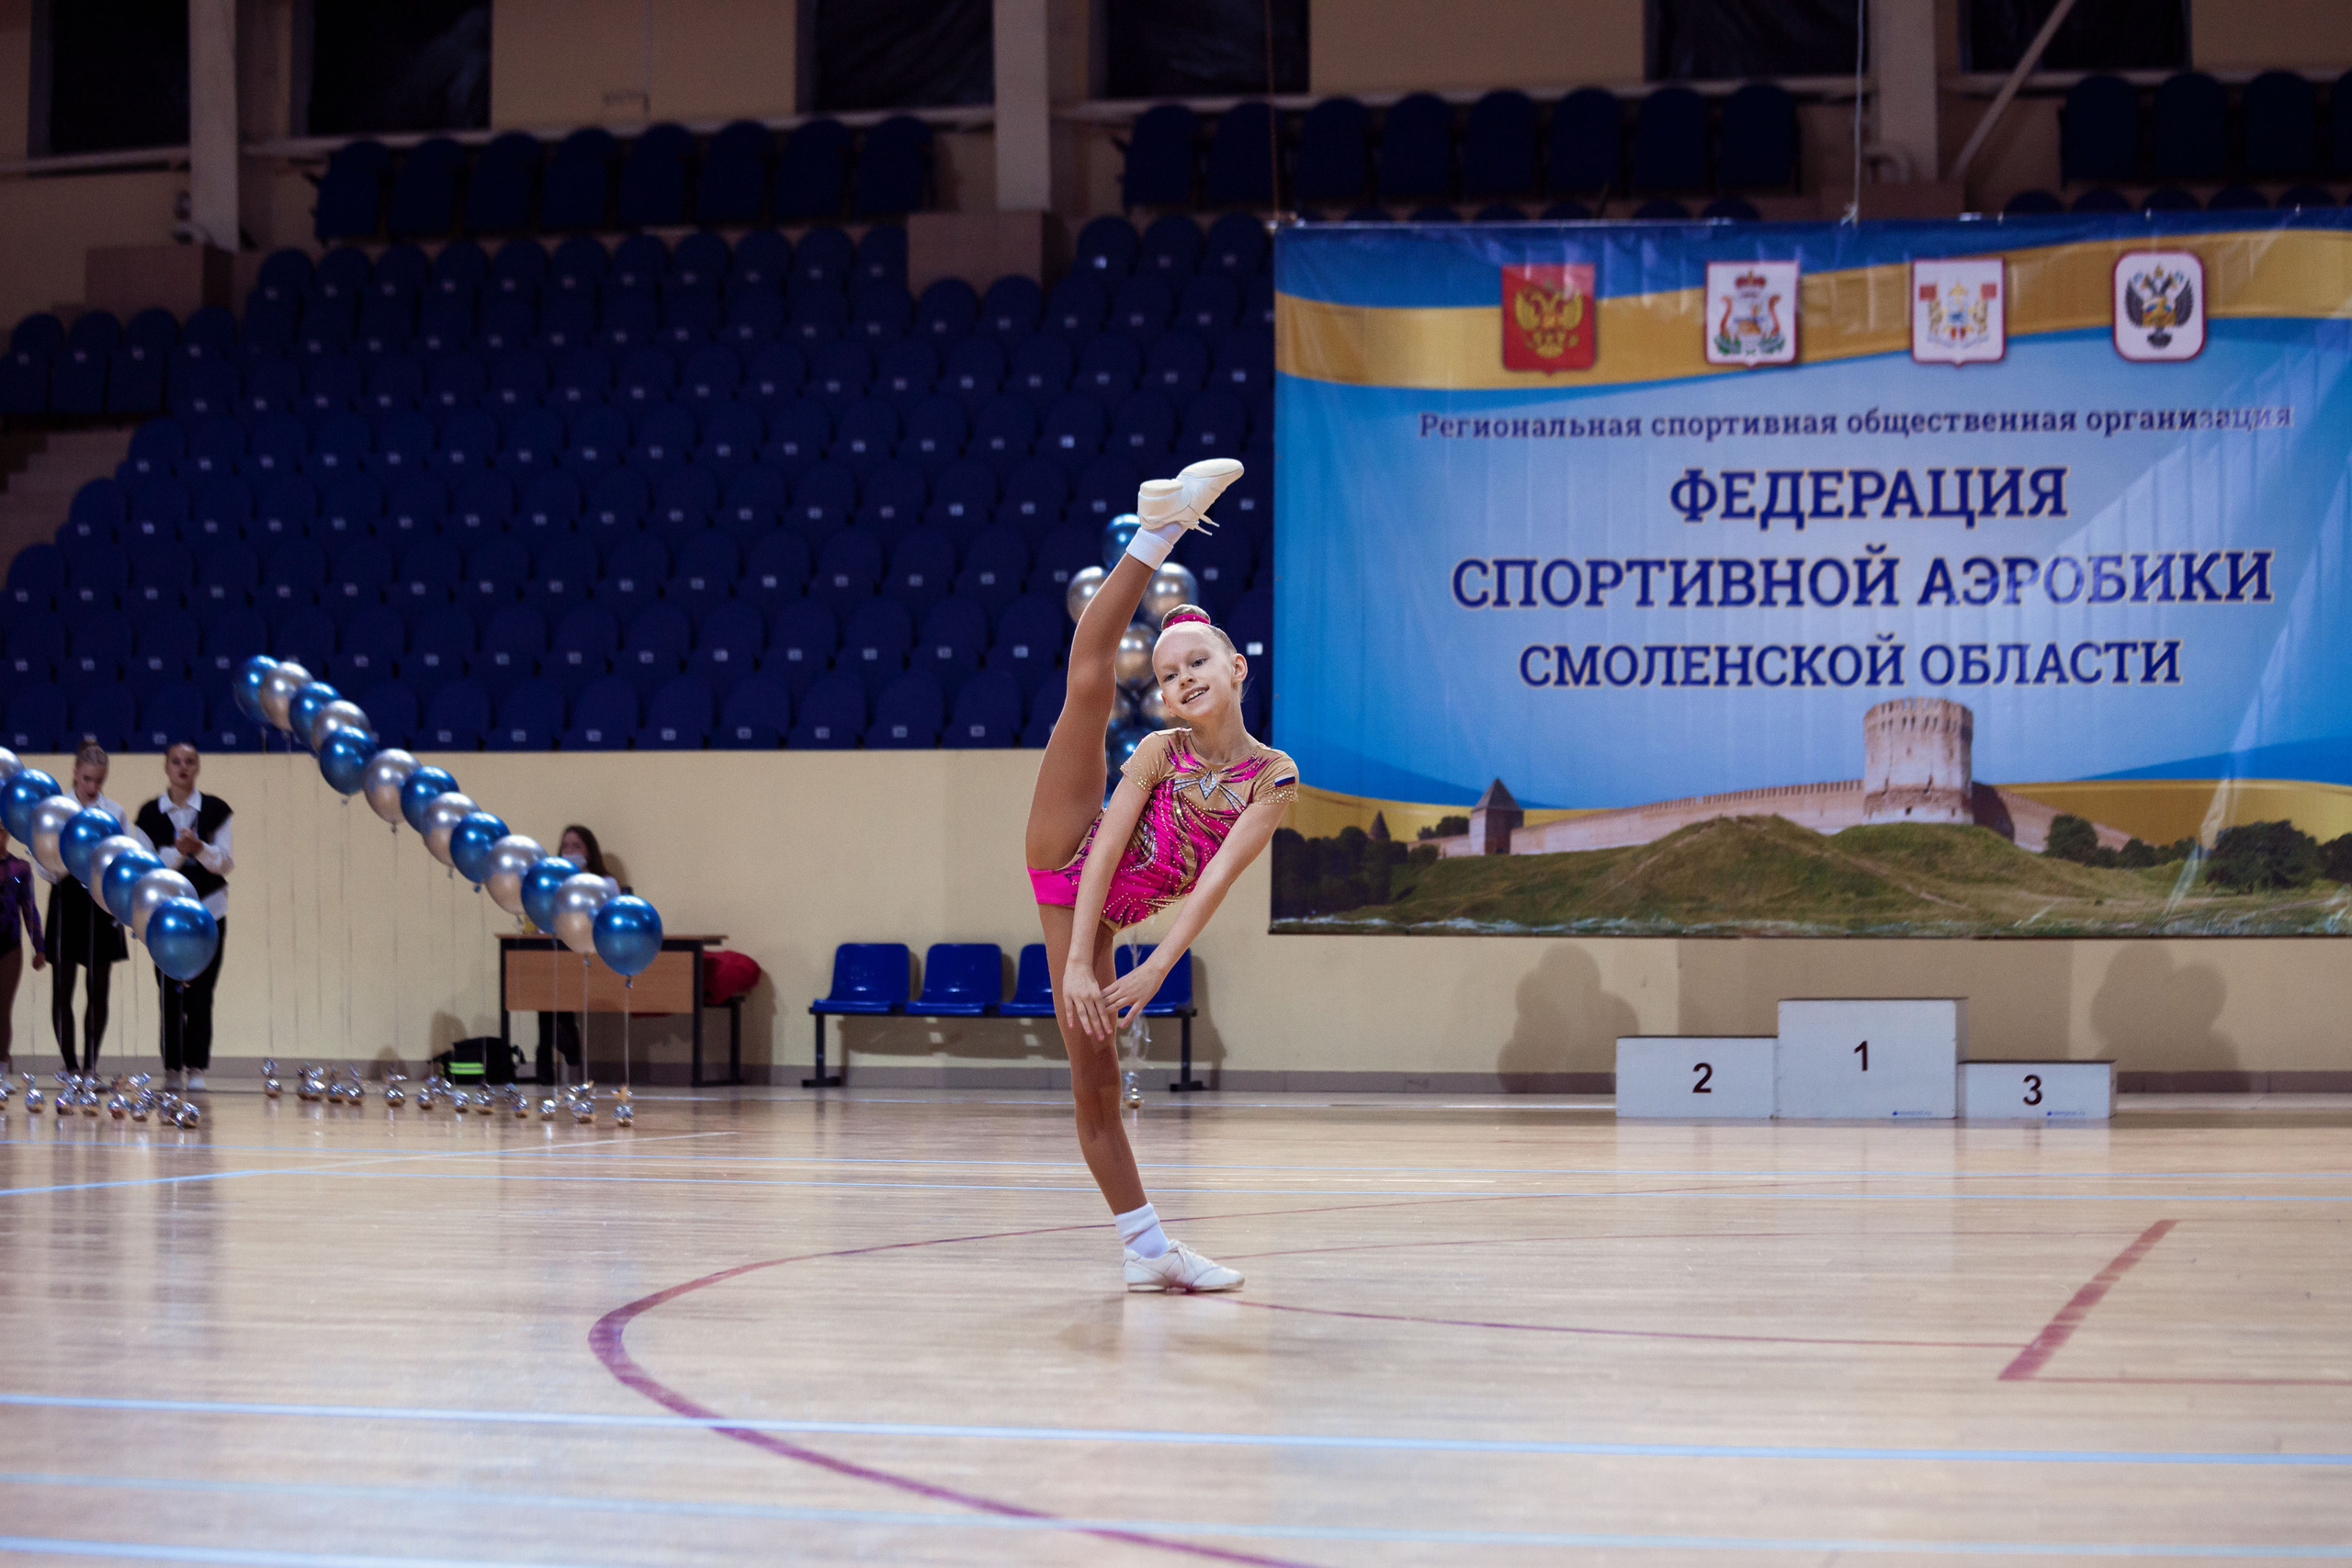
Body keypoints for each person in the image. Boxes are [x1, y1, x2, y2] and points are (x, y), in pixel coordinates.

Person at [1024, 457, 1296, 1293]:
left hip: (1110, 921)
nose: (1180, 679)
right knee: (1087, 684)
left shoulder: (1273, 777)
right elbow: (1103, 850)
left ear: (1237, 665)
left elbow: (1212, 882)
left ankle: (1147, 1253)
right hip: (1071, 860)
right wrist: (1077, 957)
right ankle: (1157, 530)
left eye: (1196, 663)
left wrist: (1153, 963)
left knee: (1096, 1085)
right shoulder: (1157, 750)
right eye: (1171, 674)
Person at [135, 741, 232, 1092]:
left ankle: (197, 1069)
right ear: (166, 766)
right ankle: (172, 1067)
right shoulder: (149, 814)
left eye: (190, 762)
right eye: (176, 761)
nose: (182, 768)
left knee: (202, 993)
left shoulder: (217, 810)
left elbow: (225, 862)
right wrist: (179, 853)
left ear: (198, 767)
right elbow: (147, 869)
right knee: (169, 993)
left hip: (209, 913)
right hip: (165, 919)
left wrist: (200, 848)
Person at [39, 740, 132, 1076]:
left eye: (99, 781)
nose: (93, 788)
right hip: (66, 898)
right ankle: (70, 1066)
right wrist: (67, 862)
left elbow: (125, 862)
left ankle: (91, 1067)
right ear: (75, 773)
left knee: (99, 986)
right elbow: (43, 865)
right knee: (62, 987)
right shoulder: (57, 809)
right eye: (87, 779)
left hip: (102, 901)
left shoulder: (114, 812)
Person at [535, 824, 624, 1085]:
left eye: (576, 846)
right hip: (559, 948)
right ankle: (562, 1037)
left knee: (560, 978)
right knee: (544, 976)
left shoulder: (605, 882)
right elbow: (544, 921)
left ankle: (549, 1049)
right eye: (565, 846)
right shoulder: (553, 883)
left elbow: (608, 918)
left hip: (591, 952)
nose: (570, 851)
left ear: (589, 851)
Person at [1, 828, 46, 1074]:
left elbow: (29, 908)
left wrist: (39, 946)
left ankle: (2, 1065)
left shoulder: (19, 869)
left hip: (9, 946)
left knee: (3, 1007)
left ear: (6, 834)